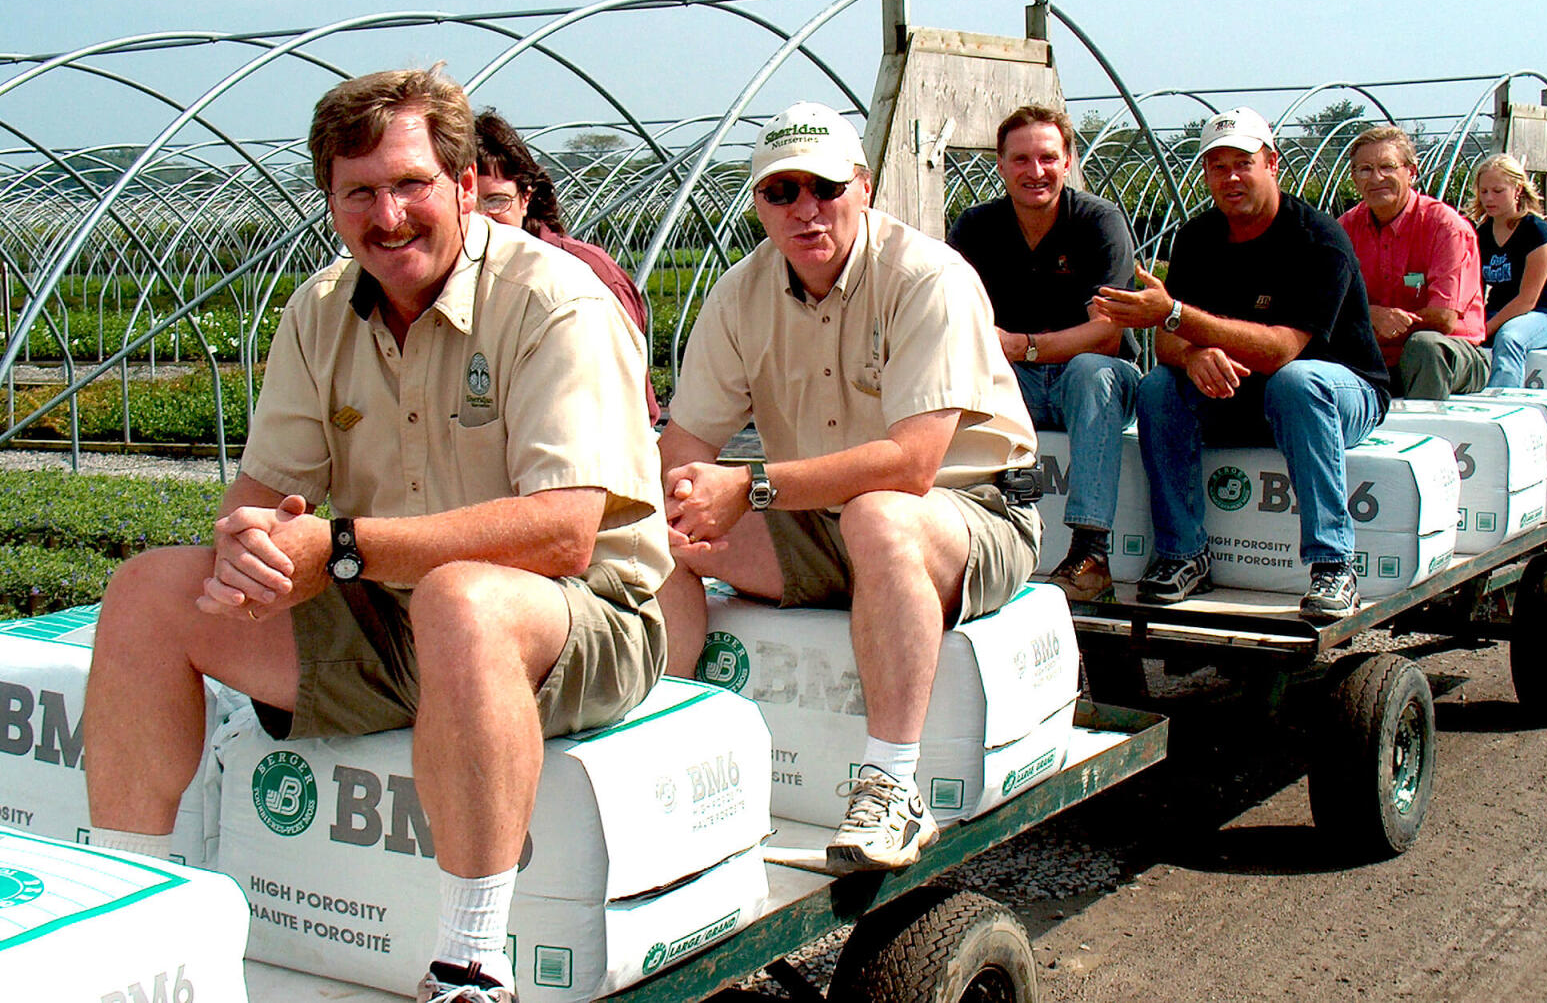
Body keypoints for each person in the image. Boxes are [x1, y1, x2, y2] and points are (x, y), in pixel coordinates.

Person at [82, 68, 670, 1003]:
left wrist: (342, 546)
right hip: (388, 621)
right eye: (360, 193)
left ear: (465, 187)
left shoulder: (557, 302)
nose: (387, 216)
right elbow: (262, 492)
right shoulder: (320, 311)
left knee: (463, 598)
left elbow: (564, 535)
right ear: (330, 203)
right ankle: (118, 928)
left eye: (411, 186)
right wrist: (249, 545)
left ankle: (472, 965)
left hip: (575, 624)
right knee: (148, 593)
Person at [658, 102, 1041, 872]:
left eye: (825, 187)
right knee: (666, 540)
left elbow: (912, 466)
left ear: (864, 187)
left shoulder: (927, 278)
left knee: (880, 517)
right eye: (781, 192)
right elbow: (687, 447)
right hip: (820, 521)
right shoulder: (739, 297)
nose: (805, 209)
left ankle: (893, 788)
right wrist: (677, 504)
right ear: (758, 201)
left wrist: (750, 485)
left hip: (969, 516)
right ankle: (663, 752)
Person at [1092, 107, 1389, 621]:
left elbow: (1280, 351)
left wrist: (1180, 318)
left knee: (1297, 383)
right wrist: (1194, 351)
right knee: (1160, 387)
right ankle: (1183, 555)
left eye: (1242, 163)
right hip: (1244, 391)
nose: (1230, 177)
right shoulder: (1198, 238)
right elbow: (1167, 344)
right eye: (1216, 167)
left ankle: (1333, 565)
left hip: (1337, 391)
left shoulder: (1317, 240)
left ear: (1271, 163)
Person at [947, 105, 1140, 601]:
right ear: (1000, 164)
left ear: (1069, 161)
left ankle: (1090, 550)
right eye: (1021, 160)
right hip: (1019, 382)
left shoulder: (1099, 223)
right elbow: (954, 314)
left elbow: (1107, 334)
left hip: (1093, 379)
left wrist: (1022, 346)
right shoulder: (976, 228)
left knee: (1090, 371)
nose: (1036, 172)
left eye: (1048, 158)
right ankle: (968, 538)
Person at [474, 108, 659, 423]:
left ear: (525, 197)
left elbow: (629, 407)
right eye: (467, 204)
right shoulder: (456, 284)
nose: (481, 220)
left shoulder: (586, 274)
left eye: (496, 201)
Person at [1337, 125, 1488, 398]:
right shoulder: (1344, 229)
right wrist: (1373, 316)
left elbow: (1443, 319)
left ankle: (1430, 436)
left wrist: (1375, 324)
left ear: (1411, 172)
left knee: (1425, 347)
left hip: (1452, 352)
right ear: (1354, 178)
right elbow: (1325, 305)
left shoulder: (1445, 227)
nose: (1376, 178)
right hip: (1377, 355)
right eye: (1365, 169)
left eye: (1387, 167)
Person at [1470, 152, 1547, 388]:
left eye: (1498, 191)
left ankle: (1503, 400)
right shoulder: (1481, 234)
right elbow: (1474, 292)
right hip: (1495, 312)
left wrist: (1484, 329)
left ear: (1517, 189)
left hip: (1542, 315)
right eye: (1484, 192)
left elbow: (1527, 300)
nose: (1489, 198)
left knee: (1510, 337)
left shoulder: (1538, 233)